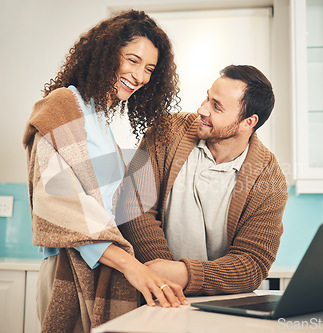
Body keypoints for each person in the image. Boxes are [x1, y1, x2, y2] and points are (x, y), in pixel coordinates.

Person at [22, 9, 186, 333]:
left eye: (149, 68)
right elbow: (56, 200)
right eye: (133, 60)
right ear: (107, 53)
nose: (140, 76)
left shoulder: (102, 121)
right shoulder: (63, 106)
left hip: (102, 270)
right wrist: (130, 265)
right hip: (65, 273)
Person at [117, 64, 288, 296]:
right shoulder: (166, 131)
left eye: (216, 107)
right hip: (153, 294)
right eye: (207, 98)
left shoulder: (270, 178)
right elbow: (134, 207)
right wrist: (167, 281)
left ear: (248, 122)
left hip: (223, 305)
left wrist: (184, 274)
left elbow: (252, 264)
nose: (202, 109)